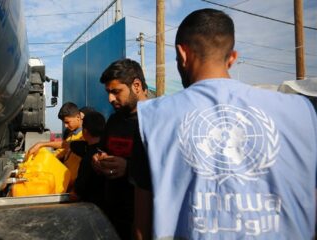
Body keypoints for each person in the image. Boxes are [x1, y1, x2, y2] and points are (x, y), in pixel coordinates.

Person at [135, 8, 317, 240]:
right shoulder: (301, 112)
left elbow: (142, 227)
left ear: (182, 54)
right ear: (232, 58)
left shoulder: (153, 118)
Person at [92, 58, 150, 240]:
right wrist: (97, 159)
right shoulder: (115, 120)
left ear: (137, 86)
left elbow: (168, 172)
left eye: (116, 92)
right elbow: (102, 149)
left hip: (142, 221)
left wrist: (128, 168)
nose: (110, 98)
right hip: (112, 216)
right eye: (108, 92)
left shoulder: (157, 120)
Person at [26, 102, 84, 190]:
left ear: (78, 117)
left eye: (67, 122)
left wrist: (41, 144)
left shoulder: (83, 136)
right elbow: (60, 152)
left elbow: (66, 145)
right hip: (67, 182)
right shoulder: (72, 134)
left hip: (76, 185)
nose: (65, 126)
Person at [69, 111, 106, 209]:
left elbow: (77, 193)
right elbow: (74, 145)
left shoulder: (88, 158)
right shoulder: (105, 150)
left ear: (84, 131)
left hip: (90, 207)